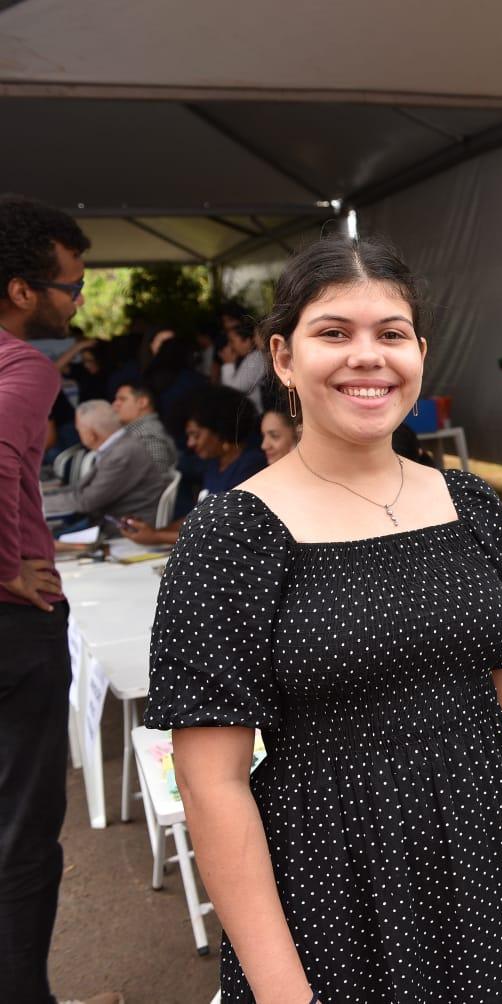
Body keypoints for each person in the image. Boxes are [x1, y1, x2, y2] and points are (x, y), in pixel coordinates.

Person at [143, 234, 502, 1003]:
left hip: (499, 867)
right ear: (284, 359)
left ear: (419, 352)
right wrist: (286, 993)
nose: (368, 356)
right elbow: (210, 781)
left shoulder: (473, 505)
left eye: (390, 334)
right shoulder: (232, 537)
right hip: (338, 896)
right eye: (334, 333)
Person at [0, 194, 122, 1004]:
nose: (77, 302)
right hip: (15, 631)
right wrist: (8, 566)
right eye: (71, 288)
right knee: (22, 837)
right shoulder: (25, 365)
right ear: (21, 291)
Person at [120, 385, 265, 546]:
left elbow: (225, 533)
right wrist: (153, 531)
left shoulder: (250, 466)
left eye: (195, 435)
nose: (190, 443)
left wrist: (156, 537)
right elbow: (198, 518)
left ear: (220, 431)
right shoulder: (214, 465)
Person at [68, 400, 172, 527]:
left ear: (91, 434)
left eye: (78, 429)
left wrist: (45, 503)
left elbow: (87, 502)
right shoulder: (121, 446)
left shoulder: (121, 454)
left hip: (123, 528)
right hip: (113, 521)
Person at [111, 380, 179, 474]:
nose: (115, 404)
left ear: (142, 402)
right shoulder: (139, 432)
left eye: (122, 399)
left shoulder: (148, 435)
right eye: (116, 399)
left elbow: (155, 479)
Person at [220, 316, 268, 410]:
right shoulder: (246, 357)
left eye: (232, 341)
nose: (230, 346)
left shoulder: (256, 358)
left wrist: (228, 364)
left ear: (247, 341)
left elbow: (235, 390)